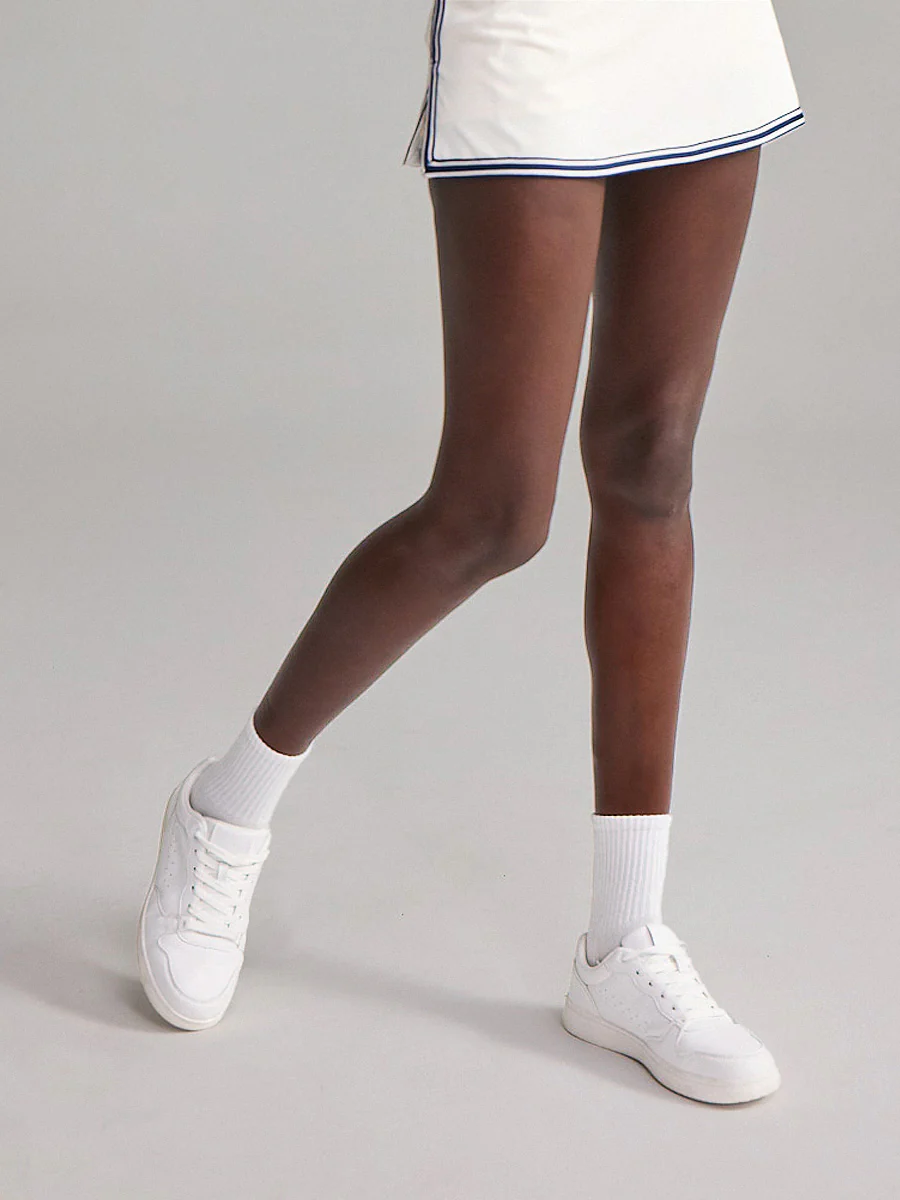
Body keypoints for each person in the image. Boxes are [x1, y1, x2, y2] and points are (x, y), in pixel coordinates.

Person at [137, 0, 806, 1105]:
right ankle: (222, 808)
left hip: (701, 28)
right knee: (494, 510)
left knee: (652, 464)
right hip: (537, 30)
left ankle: (622, 948)